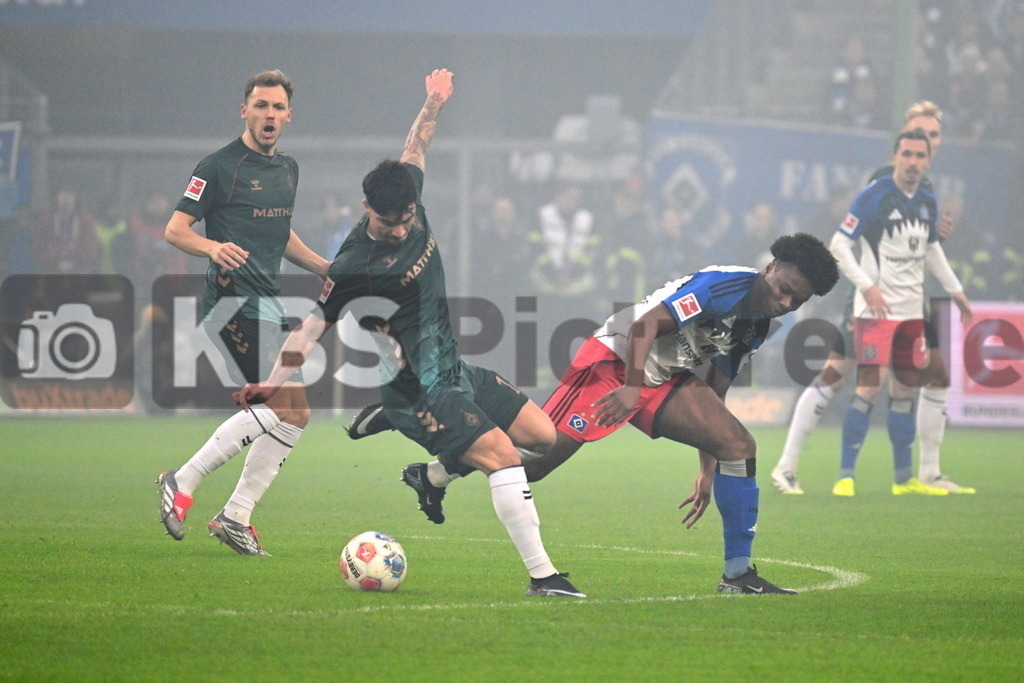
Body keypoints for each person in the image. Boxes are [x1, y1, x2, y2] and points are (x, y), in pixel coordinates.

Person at [234, 69, 585, 599]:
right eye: (389, 221)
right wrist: (273, 382)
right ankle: (543, 577)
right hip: (420, 389)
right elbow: (311, 329)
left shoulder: (408, 192)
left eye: (406, 218)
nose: (400, 228)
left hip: (454, 368)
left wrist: (434, 102)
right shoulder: (354, 265)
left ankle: (431, 477)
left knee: (543, 439)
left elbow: (416, 145)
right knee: (504, 459)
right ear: (365, 208)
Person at [374, 233, 840, 595]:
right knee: (533, 463)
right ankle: (430, 458)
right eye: (783, 290)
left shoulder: (758, 324)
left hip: (663, 377)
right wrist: (632, 389)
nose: (785, 304)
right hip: (616, 359)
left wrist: (708, 465)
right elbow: (644, 326)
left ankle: (738, 575)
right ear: (770, 268)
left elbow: (718, 384)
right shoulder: (723, 286)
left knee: (738, 445)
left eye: (796, 302)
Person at [156, 69, 330, 555]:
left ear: (288, 116)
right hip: (231, 303)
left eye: (277, 108)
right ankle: (181, 480)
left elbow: (279, 233)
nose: (268, 115)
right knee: (281, 407)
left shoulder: (288, 170)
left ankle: (235, 516)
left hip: (267, 302)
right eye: (260, 106)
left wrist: (321, 265)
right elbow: (175, 230)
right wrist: (211, 248)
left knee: (295, 415)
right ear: (244, 110)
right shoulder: (217, 166)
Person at [771, 101, 975, 495]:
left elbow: (920, 241)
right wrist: (866, 287)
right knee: (844, 379)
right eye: (920, 134)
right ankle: (795, 467)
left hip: (906, 302)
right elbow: (857, 240)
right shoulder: (885, 181)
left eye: (933, 137)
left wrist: (939, 248)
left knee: (926, 377)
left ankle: (918, 474)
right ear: (901, 142)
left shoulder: (926, 191)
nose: (925, 144)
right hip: (871, 301)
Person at [828, 129, 972, 498]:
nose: (912, 162)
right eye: (906, 154)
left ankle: (903, 477)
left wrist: (955, 290)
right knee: (869, 387)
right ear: (895, 156)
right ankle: (846, 476)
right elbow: (839, 246)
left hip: (910, 312)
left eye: (919, 156)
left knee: (906, 387)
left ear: (928, 160)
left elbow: (932, 249)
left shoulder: (926, 198)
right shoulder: (873, 196)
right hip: (876, 310)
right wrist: (867, 286)